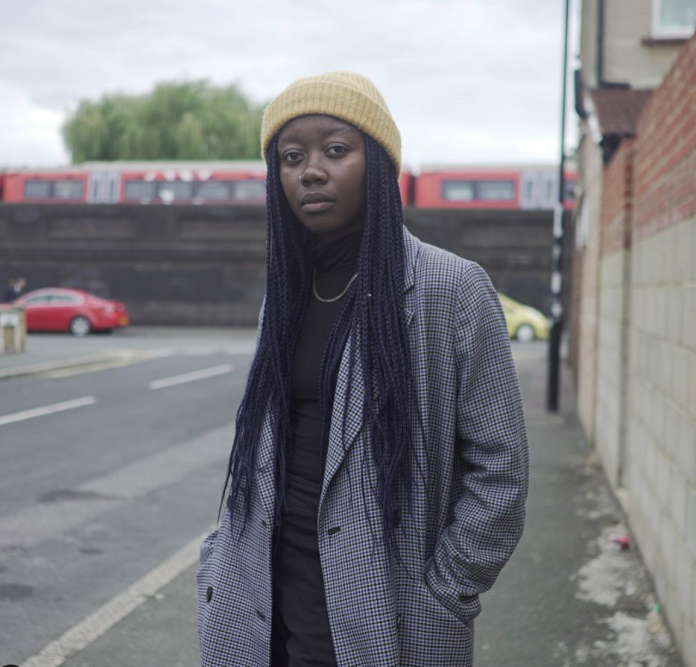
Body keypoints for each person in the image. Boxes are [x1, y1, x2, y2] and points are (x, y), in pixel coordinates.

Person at [196, 72, 529, 667]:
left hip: (387, 602)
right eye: (292, 156)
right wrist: (221, 551)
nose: (311, 171)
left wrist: (448, 585)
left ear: (377, 164)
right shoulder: (287, 294)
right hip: (264, 590)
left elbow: (501, 469)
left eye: (335, 150)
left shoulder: (451, 287)